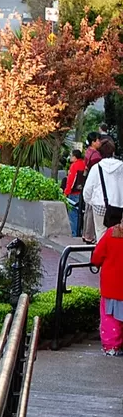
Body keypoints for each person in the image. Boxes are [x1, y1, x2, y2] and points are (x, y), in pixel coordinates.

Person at [90, 218, 123, 356]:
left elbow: (97, 256)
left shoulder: (112, 233)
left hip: (112, 285)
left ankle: (112, 347)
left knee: (110, 318)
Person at [83, 138, 122, 245]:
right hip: (118, 206)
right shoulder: (121, 167)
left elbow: (87, 190)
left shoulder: (96, 168)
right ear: (113, 151)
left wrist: (90, 201)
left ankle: (102, 257)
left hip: (99, 204)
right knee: (117, 235)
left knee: (101, 233)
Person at [81, 133, 106, 244]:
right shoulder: (96, 156)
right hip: (95, 184)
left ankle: (85, 234)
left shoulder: (88, 152)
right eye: (98, 140)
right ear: (93, 142)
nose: (99, 143)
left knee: (87, 211)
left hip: (88, 182)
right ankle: (89, 236)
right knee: (91, 211)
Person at [65, 149, 86, 237]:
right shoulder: (84, 164)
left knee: (73, 214)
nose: (70, 157)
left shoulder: (74, 166)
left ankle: (74, 233)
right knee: (80, 213)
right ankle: (79, 232)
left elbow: (71, 180)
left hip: (74, 194)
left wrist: (66, 192)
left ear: (74, 156)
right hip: (82, 193)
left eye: (71, 155)